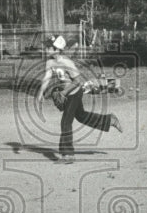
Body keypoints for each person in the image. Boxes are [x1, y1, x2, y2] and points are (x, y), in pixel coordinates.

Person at [35, 36, 122, 164]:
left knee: (66, 122)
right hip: (67, 94)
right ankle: (109, 120)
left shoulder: (67, 62)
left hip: (75, 93)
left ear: (57, 49)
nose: (46, 49)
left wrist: (64, 92)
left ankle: (68, 154)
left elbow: (78, 81)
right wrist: (40, 93)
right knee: (81, 116)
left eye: (48, 47)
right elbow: (47, 78)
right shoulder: (50, 62)